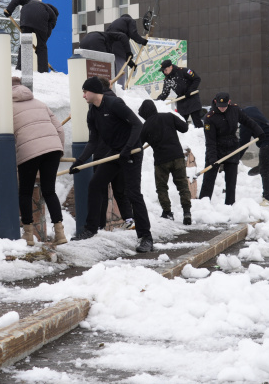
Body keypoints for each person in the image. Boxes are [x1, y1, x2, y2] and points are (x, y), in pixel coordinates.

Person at [68, 78, 153, 252]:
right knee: (95, 184)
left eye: (85, 92)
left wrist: (127, 148)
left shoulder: (114, 104)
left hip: (131, 151)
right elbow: (93, 141)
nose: (83, 96)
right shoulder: (92, 112)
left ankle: (146, 237)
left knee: (133, 193)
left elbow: (137, 125)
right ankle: (91, 229)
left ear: (94, 91)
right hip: (115, 152)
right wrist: (80, 161)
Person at [0, 77, 67, 246]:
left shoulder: (7, 108)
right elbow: (59, 129)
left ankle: (28, 234)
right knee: (49, 191)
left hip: (29, 153)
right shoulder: (40, 104)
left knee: (25, 193)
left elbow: (2, 136)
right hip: (53, 150)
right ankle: (60, 234)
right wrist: (57, 149)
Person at [200, 92, 264, 205]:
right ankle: (203, 204)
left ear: (229, 102)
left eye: (224, 106)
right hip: (216, 148)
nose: (222, 108)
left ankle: (230, 205)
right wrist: (212, 158)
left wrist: (259, 131)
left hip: (232, 147)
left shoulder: (235, 110)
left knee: (231, 181)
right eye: (220, 106)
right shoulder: (210, 118)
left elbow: (247, 121)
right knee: (209, 179)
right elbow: (210, 142)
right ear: (215, 102)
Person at [138, 99, 191, 225]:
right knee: (183, 185)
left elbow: (138, 144)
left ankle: (167, 212)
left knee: (162, 187)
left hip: (161, 161)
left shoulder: (146, 126)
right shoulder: (169, 116)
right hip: (177, 157)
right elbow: (184, 128)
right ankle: (187, 212)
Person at [94, 76, 134, 230]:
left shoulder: (97, 105)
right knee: (120, 188)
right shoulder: (118, 102)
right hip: (119, 152)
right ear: (109, 85)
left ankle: (100, 225)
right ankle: (129, 218)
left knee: (101, 190)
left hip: (102, 153)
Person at [4, 0, 58, 72]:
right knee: (42, 47)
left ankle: (21, 69)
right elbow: (47, 34)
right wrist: (39, 48)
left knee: (26, 43)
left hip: (26, 14)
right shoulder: (53, 16)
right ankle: (43, 72)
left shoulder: (32, 1)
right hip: (41, 17)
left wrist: (9, 10)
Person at [241, 105, 269, 207]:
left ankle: (268, 199)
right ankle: (262, 165)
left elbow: (243, 143)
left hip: (268, 141)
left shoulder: (245, 121)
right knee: (265, 167)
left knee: (265, 171)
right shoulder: (249, 110)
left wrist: (236, 158)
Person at [156, 60, 204, 128]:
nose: (164, 72)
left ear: (171, 67)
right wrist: (156, 102)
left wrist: (190, 90)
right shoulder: (167, 80)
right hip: (182, 102)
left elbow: (197, 79)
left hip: (192, 99)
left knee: (197, 122)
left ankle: (201, 134)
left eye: (165, 70)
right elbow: (165, 93)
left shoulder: (183, 71)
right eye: (163, 71)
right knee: (181, 124)